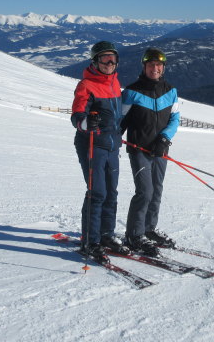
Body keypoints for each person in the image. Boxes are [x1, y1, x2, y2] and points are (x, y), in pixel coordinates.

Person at [71, 41, 129, 262]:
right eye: (105, 59)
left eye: (113, 59)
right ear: (94, 61)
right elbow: (77, 112)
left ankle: (106, 234)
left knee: (111, 193)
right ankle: (90, 241)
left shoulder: (114, 82)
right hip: (92, 144)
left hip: (112, 144)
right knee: (97, 193)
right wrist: (85, 123)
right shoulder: (86, 85)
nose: (110, 63)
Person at [121, 47, 181, 256]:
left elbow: (175, 119)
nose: (154, 68)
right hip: (139, 149)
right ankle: (134, 235)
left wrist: (165, 139)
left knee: (156, 189)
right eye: (151, 65)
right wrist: (111, 138)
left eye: (158, 65)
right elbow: (120, 119)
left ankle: (149, 229)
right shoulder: (131, 91)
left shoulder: (170, 91)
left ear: (163, 68)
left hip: (159, 149)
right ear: (144, 67)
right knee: (144, 191)